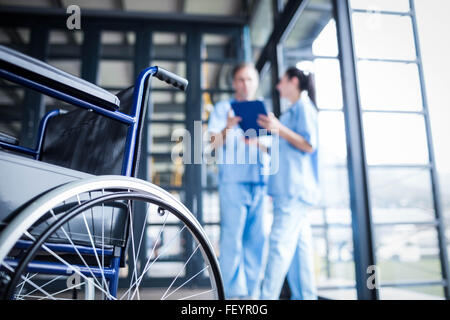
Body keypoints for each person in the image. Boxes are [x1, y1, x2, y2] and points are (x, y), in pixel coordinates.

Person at [257, 67, 319, 300]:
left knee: (279, 249)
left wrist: (279, 129)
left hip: (293, 191)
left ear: (294, 81)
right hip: (291, 191)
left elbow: (309, 145)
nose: (277, 86)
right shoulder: (292, 111)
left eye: (281, 81)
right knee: (299, 256)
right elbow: (286, 150)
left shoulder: (303, 107)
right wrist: (261, 144)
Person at [208, 62, 268, 299]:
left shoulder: (264, 110)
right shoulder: (223, 108)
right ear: (234, 83)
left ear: (256, 82)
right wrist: (228, 127)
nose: (245, 84)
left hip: (260, 181)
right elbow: (212, 143)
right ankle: (231, 297)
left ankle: (252, 296)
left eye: (250, 79)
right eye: (241, 79)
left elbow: (274, 147)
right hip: (233, 182)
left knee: (256, 242)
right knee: (232, 241)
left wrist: (258, 143)